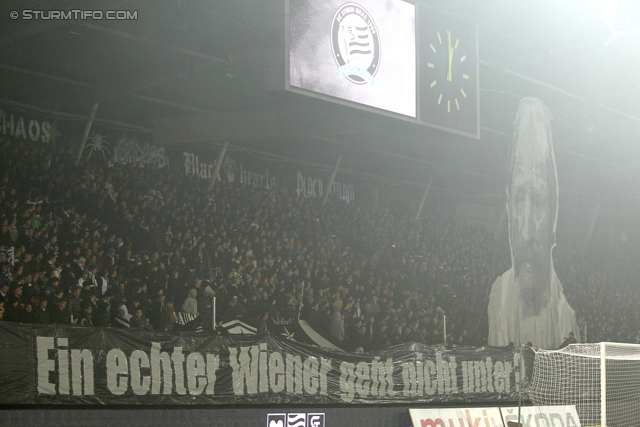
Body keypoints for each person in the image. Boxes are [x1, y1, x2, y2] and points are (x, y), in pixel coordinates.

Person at [488, 98, 578, 349]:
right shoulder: (500, 295)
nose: (526, 230)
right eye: (518, 198)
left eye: (538, 200)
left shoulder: (564, 310)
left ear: (553, 213)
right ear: (508, 208)